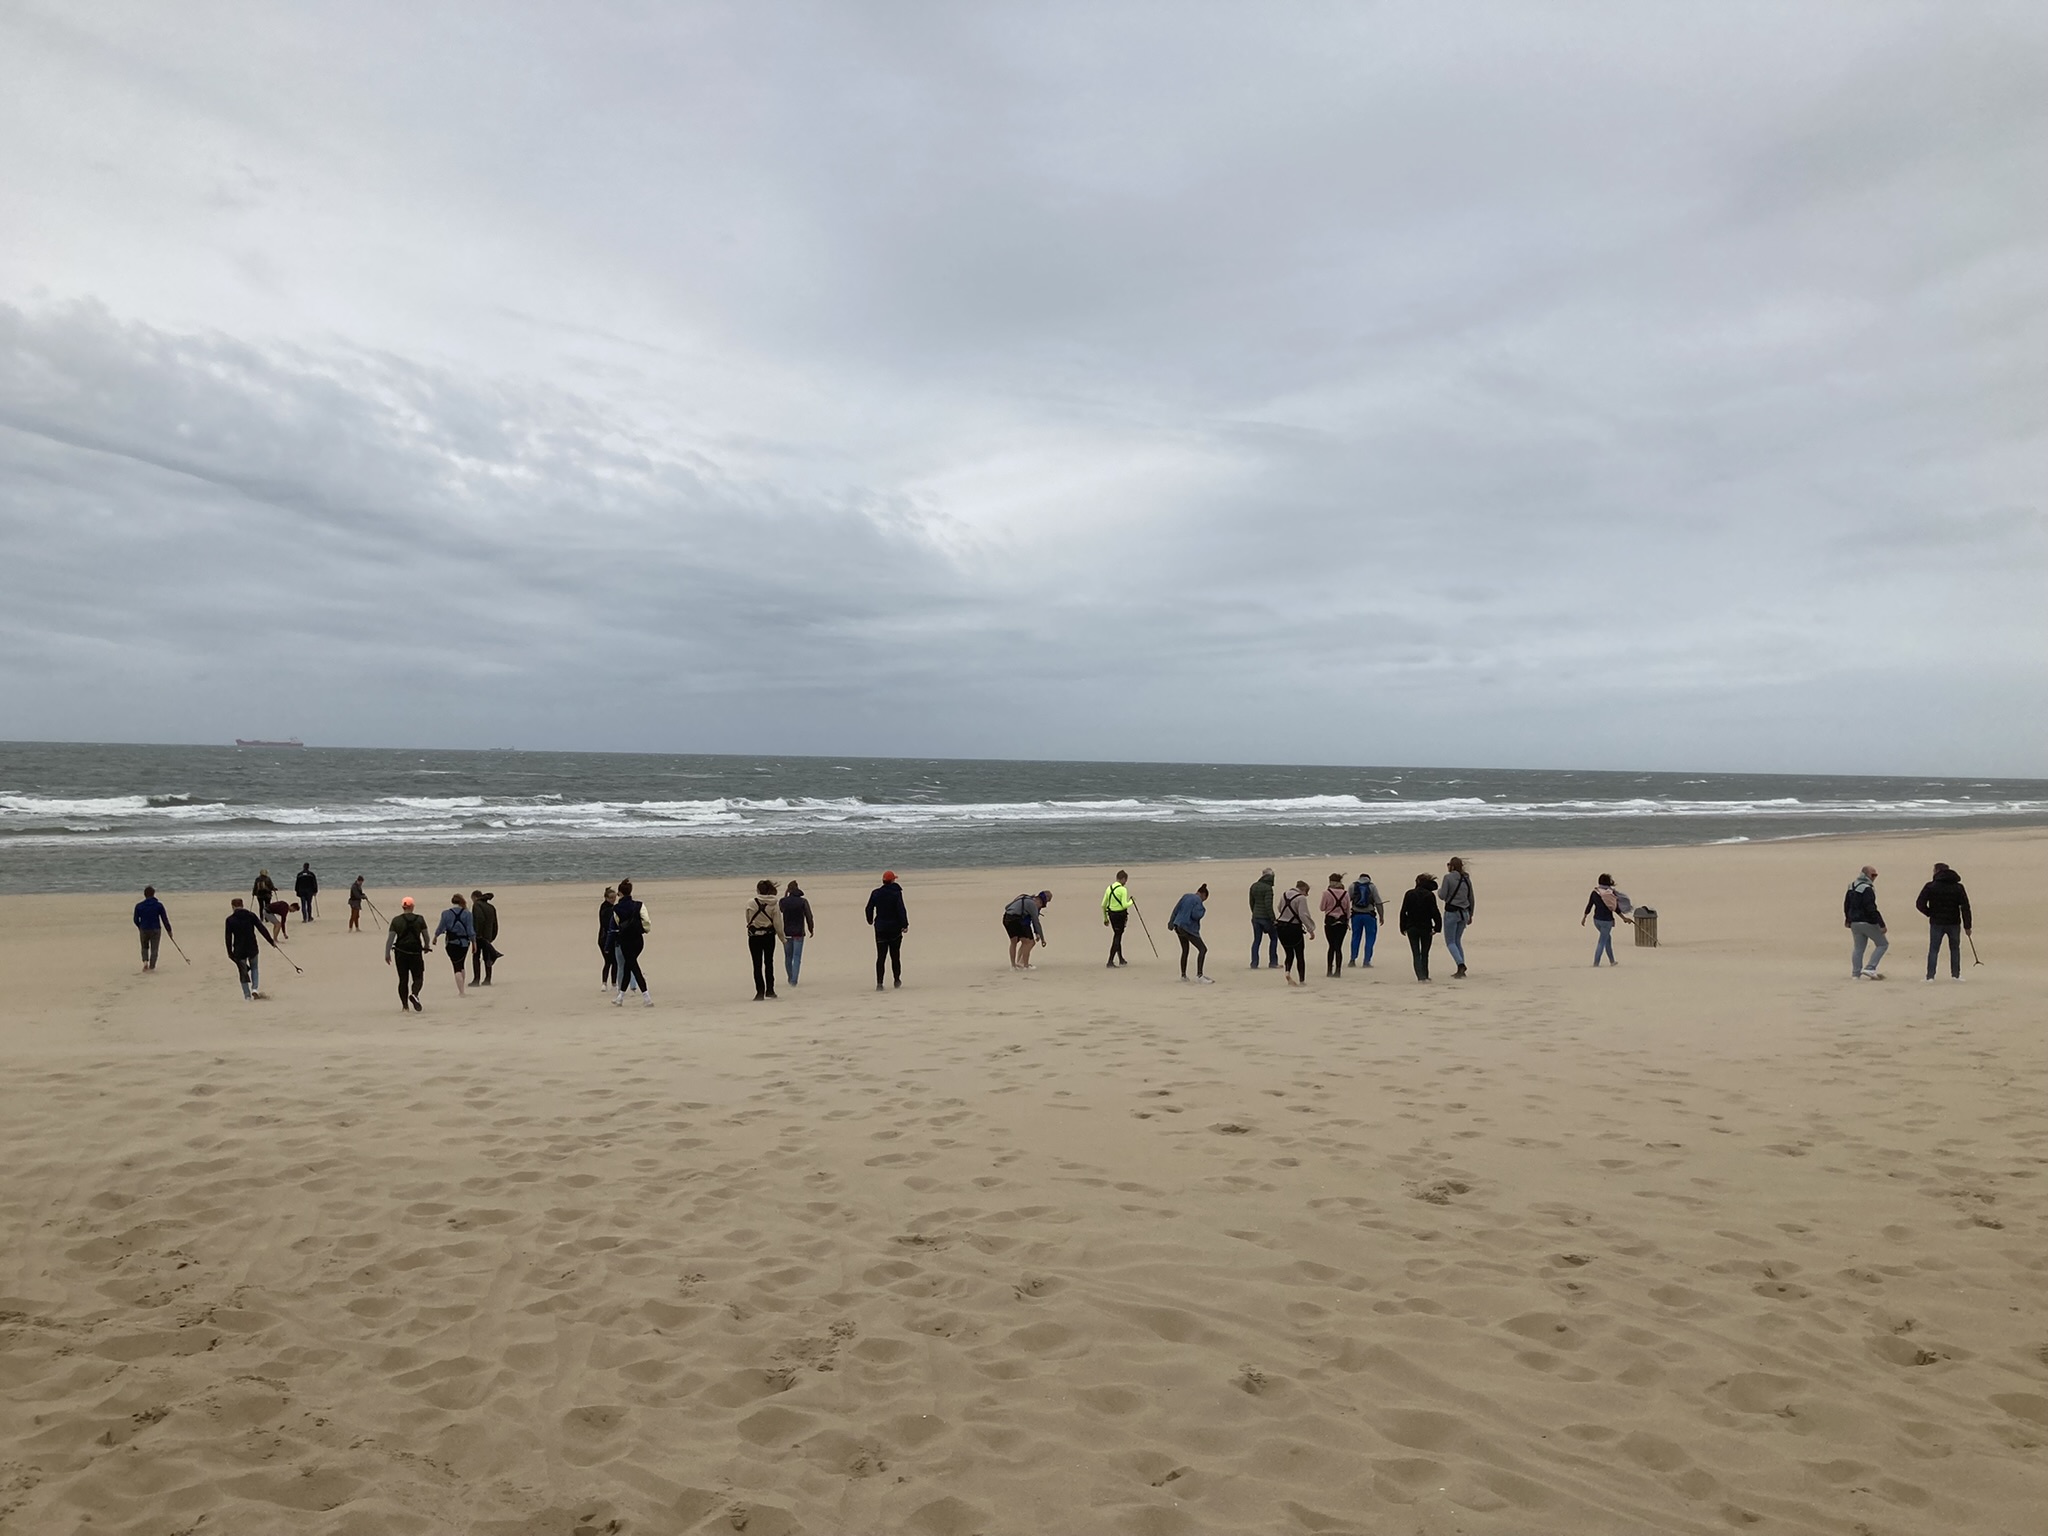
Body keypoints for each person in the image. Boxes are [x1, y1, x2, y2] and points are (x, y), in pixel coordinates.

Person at [1915, 862, 1973, 982]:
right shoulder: (1958, 887)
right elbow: (1965, 907)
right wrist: (1967, 925)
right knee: (1955, 949)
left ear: (1937, 872)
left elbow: (1920, 903)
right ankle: (1956, 975)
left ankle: (1930, 976)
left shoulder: (1931, 886)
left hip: (1937, 922)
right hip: (1954, 922)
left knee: (1934, 949)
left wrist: (1929, 913)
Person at [224, 896, 278, 1001]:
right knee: (254, 968)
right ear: (242, 905)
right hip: (252, 946)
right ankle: (255, 989)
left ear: (233, 907)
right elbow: (262, 929)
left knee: (243, 971)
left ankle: (247, 995)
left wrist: (229, 952)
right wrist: (271, 941)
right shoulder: (251, 915)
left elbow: (228, 937)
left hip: (239, 948)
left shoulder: (230, 919)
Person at [384, 895, 430, 1012]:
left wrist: (387, 953)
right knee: (418, 977)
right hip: (415, 952)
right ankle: (414, 994)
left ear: (403, 907)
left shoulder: (396, 920)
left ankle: (405, 1006)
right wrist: (426, 946)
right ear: (412, 907)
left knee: (403, 979)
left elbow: (390, 938)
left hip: (400, 953)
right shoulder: (420, 919)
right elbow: (426, 936)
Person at [1843, 866, 1888, 980]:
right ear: (1865, 875)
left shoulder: (1851, 886)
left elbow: (1847, 905)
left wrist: (1848, 919)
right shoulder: (1867, 889)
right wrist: (1881, 924)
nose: (1874, 878)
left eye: (1876, 875)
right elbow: (1871, 908)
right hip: (1867, 921)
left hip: (1854, 922)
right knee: (1883, 944)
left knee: (1858, 948)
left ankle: (1855, 974)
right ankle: (1870, 967)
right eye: (1873, 875)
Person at [865, 871, 908, 990]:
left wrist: (870, 920)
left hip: (880, 928)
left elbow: (868, 908)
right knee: (895, 955)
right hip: (894, 928)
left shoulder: (876, 893)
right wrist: (904, 924)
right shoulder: (896, 893)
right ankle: (897, 980)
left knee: (881, 957)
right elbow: (901, 909)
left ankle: (879, 983)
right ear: (892, 881)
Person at [612, 878, 651, 1006]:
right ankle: (620, 997)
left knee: (633, 967)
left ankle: (646, 997)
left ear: (620, 893)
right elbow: (646, 921)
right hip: (639, 941)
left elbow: (617, 923)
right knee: (629, 966)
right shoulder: (639, 905)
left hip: (626, 941)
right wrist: (644, 930)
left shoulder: (617, 909)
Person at [746, 879, 785, 1000]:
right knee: (769, 962)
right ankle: (770, 990)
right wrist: (782, 938)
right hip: (769, 936)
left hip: (754, 937)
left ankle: (759, 992)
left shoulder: (751, 902)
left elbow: (748, 919)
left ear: (758, 890)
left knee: (756, 965)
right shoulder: (774, 903)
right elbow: (778, 923)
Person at [1581, 873, 1631, 966]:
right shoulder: (1609, 893)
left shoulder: (1595, 892)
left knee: (1607, 938)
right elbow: (1615, 908)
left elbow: (1589, 905)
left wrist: (1584, 917)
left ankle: (1612, 961)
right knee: (1602, 941)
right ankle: (1596, 963)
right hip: (1606, 921)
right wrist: (1624, 918)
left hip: (1596, 920)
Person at [1398, 873, 1441, 982]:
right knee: (1425, 953)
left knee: (1416, 953)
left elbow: (1403, 911)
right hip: (1426, 927)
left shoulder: (1409, 894)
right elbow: (1435, 912)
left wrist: (1402, 926)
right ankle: (1425, 975)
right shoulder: (1429, 895)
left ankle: (1420, 977)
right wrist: (1437, 927)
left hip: (1411, 927)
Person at [1168, 884, 1212, 982]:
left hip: (1178, 925)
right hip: (1187, 927)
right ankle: (1199, 975)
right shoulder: (1198, 901)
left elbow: (1176, 909)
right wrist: (1203, 911)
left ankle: (1183, 975)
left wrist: (1171, 922)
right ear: (1203, 895)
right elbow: (1195, 915)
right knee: (1203, 949)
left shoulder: (1185, 896)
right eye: (1204, 900)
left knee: (1185, 950)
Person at [1440, 857, 1475, 979]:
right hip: (1464, 912)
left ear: (1452, 866)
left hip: (1452, 912)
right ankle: (1461, 967)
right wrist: (1471, 913)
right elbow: (1471, 897)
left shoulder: (1448, 878)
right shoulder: (1466, 878)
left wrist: (1439, 891)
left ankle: (1460, 964)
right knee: (1458, 941)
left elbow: (1442, 895)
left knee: (1450, 942)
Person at [1274, 879, 1313, 986]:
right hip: (1294, 928)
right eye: (1307, 892)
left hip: (1281, 927)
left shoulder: (1285, 894)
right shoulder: (1301, 898)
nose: (1307, 894)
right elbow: (1303, 915)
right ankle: (1302, 980)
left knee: (1288, 953)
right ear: (1304, 889)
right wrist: (1311, 930)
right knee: (1299, 954)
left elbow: (1279, 908)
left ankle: (1287, 972)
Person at [435, 893, 474, 998]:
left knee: (456, 966)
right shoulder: (467, 914)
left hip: (451, 943)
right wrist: (474, 942)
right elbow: (470, 930)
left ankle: (461, 992)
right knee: (461, 964)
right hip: (465, 943)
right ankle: (462, 989)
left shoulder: (446, 913)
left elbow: (440, 928)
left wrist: (435, 937)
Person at [1004, 891, 1052, 970]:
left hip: (1006, 918)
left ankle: (1013, 965)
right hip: (1017, 920)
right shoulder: (1033, 905)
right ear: (1040, 901)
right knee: (1029, 942)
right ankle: (1024, 965)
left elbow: (1007, 907)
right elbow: (1036, 921)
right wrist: (1042, 938)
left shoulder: (1023, 897)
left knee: (1014, 942)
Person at [779, 880, 815, 985]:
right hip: (799, 932)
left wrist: (785, 895)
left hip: (787, 932)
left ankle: (790, 977)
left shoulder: (783, 901)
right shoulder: (803, 901)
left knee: (788, 957)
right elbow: (809, 916)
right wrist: (811, 928)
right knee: (797, 957)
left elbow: (780, 910)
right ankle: (794, 980)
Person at [1347, 871, 1384, 967]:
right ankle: (1366, 961)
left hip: (1356, 915)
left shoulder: (1352, 886)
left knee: (1355, 937)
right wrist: (1381, 916)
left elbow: (1346, 902)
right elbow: (1378, 902)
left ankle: (1352, 959)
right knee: (1370, 938)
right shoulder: (1372, 886)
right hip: (1369, 915)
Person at [133, 886, 172, 971]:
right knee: (154, 948)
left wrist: (140, 926)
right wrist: (169, 930)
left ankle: (145, 962)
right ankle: (152, 966)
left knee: (144, 947)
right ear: (153, 894)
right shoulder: (159, 905)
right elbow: (164, 919)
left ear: (144, 895)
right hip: (155, 929)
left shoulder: (139, 906)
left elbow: (135, 919)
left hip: (144, 928)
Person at [1319, 873, 1351, 978]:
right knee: (1339, 947)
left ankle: (1329, 970)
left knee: (1331, 946)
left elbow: (1322, 908)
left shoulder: (1326, 893)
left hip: (1330, 921)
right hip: (1342, 922)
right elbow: (1347, 910)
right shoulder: (1345, 893)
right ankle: (1338, 971)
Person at [1101, 870, 1133, 967]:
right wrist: (1131, 902)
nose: (1125, 882)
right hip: (1120, 915)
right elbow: (1124, 905)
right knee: (1117, 937)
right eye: (1125, 880)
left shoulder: (1109, 888)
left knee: (1117, 935)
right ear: (1123, 879)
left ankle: (1121, 958)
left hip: (1111, 915)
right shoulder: (1123, 890)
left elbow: (1103, 905)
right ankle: (1110, 961)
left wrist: (1105, 918)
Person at [1248, 868, 1279, 969]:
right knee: (1274, 938)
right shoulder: (1268, 888)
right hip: (1266, 918)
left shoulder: (1254, 886)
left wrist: (1254, 912)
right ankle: (1273, 962)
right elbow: (1268, 905)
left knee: (1257, 940)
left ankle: (1254, 963)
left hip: (1256, 917)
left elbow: (1251, 902)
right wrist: (1273, 919)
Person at [470, 890, 500, 985]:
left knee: (476, 957)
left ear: (474, 897)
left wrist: (476, 935)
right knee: (487, 957)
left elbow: (479, 919)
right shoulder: (491, 907)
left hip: (479, 936)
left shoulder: (476, 905)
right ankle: (488, 978)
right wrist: (492, 936)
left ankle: (476, 979)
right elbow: (495, 923)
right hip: (488, 936)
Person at [598, 886, 619, 991]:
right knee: (608, 961)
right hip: (604, 938)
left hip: (612, 937)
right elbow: (606, 923)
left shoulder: (612, 907)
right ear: (606, 898)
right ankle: (604, 983)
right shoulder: (605, 908)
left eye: (614, 897)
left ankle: (614, 983)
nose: (613, 899)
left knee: (615, 961)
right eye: (611, 898)